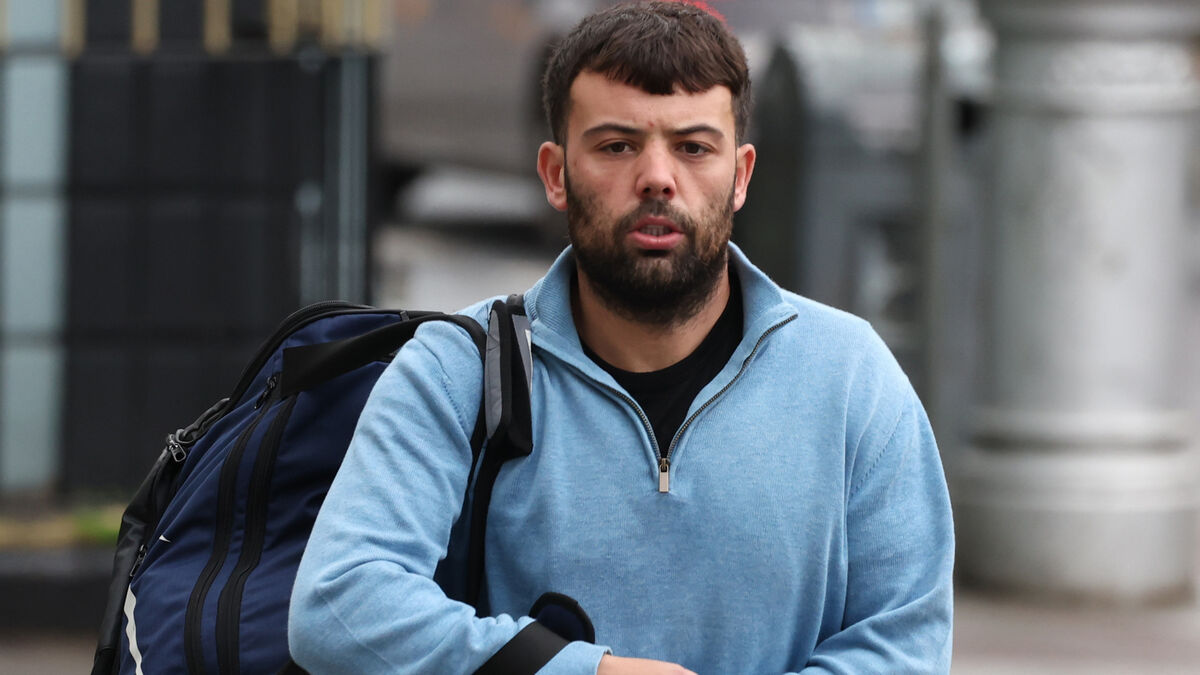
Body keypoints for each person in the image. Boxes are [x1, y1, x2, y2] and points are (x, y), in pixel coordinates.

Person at [288, 2, 954, 673]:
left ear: (741, 175)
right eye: (617, 146)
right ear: (555, 174)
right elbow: (337, 603)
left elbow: (906, 646)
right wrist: (588, 672)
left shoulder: (851, 377)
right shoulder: (457, 369)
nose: (658, 177)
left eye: (693, 147)